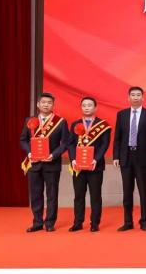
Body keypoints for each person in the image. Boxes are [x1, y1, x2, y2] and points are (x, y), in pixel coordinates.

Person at [20, 92, 68, 232]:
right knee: (35, 194)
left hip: (51, 163)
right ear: (38, 104)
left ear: (53, 105)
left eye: (49, 103)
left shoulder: (60, 122)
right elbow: (23, 140)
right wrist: (29, 153)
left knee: (52, 195)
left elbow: (65, 143)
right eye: (43, 102)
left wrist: (53, 155)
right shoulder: (30, 120)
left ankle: (50, 223)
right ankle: (37, 222)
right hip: (34, 163)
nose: (46, 105)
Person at [113, 86, 146, 231]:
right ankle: (128, 222)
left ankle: (144, 221)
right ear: (128, 98)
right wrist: (116, 156)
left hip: (143, 157)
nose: (135, 97)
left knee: (143, 191)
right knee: (127, 191)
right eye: (133, 95)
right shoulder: (121, 114)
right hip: (126, 156)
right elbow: (117, 137)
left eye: (138, 95)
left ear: (143, 98)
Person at [66, 96, 111, 233]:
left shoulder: (103, 125)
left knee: (95, 195)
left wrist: (96, 159)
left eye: (89, 105)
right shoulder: (75, 124)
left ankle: (95, 223)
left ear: (95, 107)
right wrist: (73, 159)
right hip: (78, 166)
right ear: (81, 107)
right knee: (78, 195)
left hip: (95, 166)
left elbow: (105, 145)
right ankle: (78, 222)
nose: (86, 107)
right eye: (84, 105)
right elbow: (70, 143)